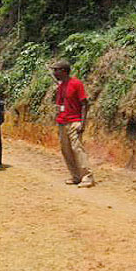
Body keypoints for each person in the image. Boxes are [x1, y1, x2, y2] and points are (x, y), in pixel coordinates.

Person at [51, 60, 95, 188]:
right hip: (62, 123)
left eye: (56, 70)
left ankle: (87, 177)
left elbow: (85, 104)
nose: (54, 73)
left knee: (77, 149)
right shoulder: (60, 86)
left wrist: (82, 123)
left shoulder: (76, 84)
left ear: (63, 71)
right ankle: (76, 176)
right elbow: (60, 105)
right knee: (66, 150)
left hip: (74, 122)